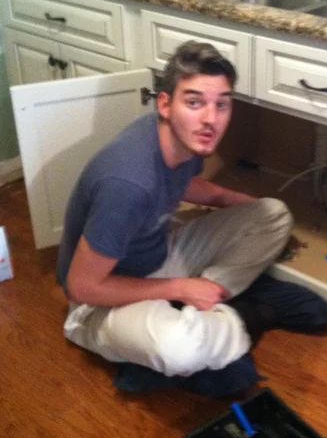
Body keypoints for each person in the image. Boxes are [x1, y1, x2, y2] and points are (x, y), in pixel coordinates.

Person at [56, 41, 295, 388]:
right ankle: (235, 317)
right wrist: (181, 287)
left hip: (159, 254)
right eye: (195, 102)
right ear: (165, 104)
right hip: (99, 302)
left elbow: (181, 182)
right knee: (178, 350)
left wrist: (227, 197)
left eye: (222, 105)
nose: (210, 119)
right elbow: (82, 286)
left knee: (273, 215)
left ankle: (203, 306)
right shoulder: (127, 184)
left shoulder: (187, 139)